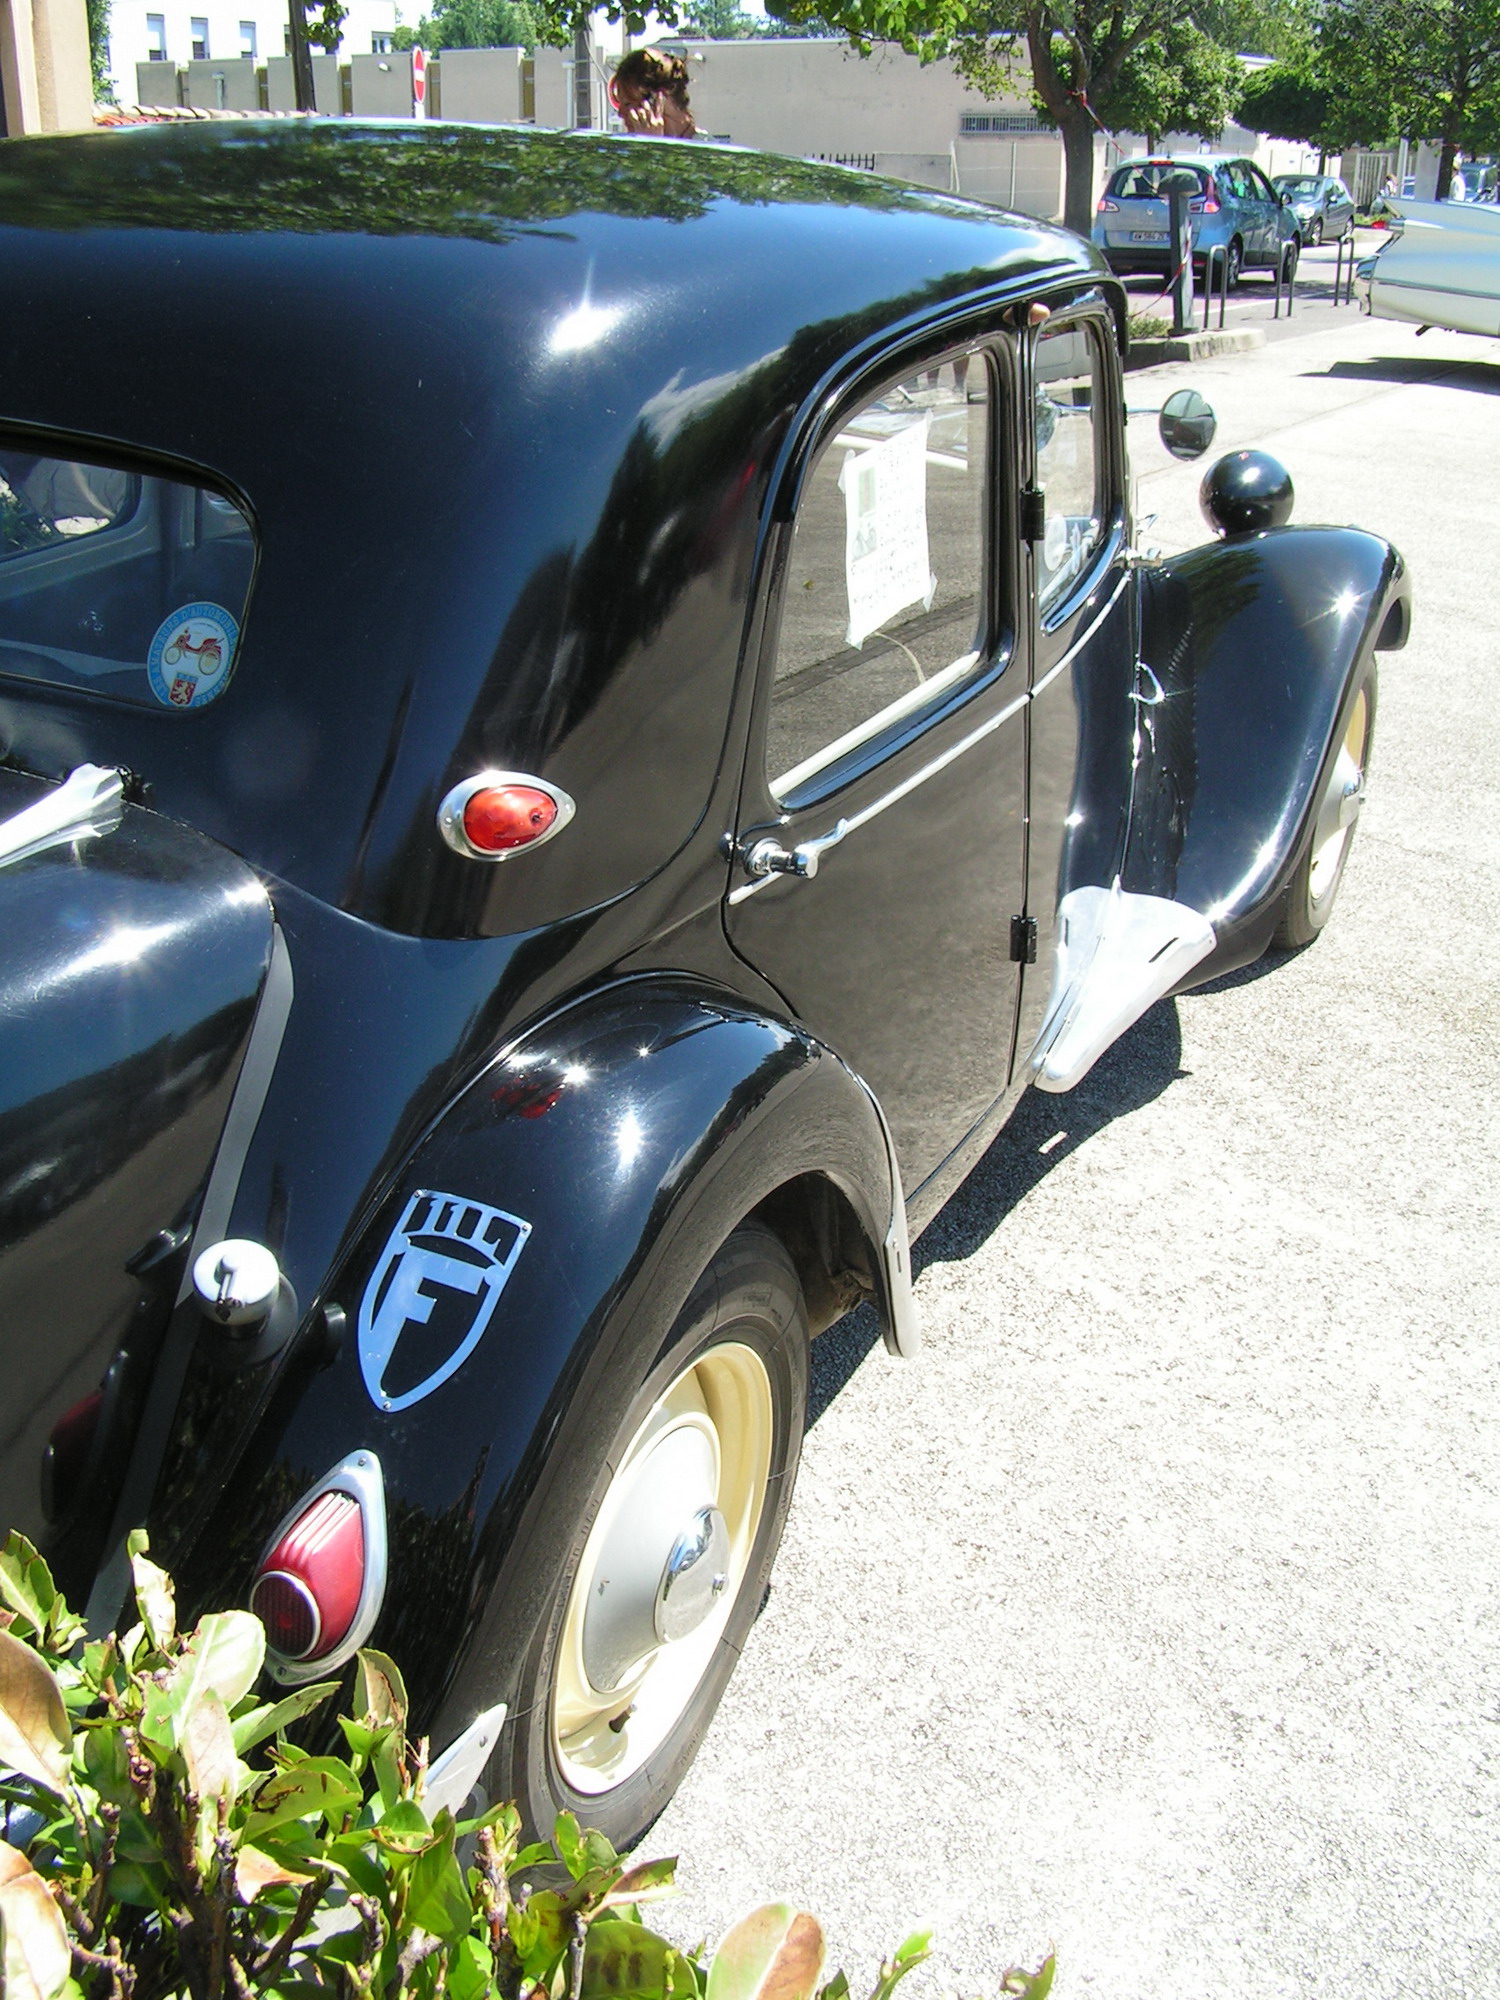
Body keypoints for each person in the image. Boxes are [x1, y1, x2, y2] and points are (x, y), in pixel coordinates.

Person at [609, 49, 698, 139]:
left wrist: (651, 143)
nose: (620, 114)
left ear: (660, 99)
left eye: (628, 104)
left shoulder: (703, 144)